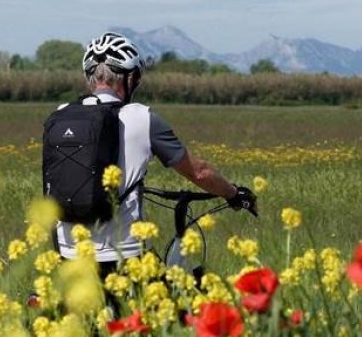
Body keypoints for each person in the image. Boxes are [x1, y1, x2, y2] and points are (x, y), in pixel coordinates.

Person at [53, 31, 257, 271]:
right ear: (131, 78)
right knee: (171, 290)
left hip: (68, 251)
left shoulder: (61, 114)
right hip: (124, 252)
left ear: (90, 76)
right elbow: (199, 172)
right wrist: (233, 194)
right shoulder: (142, 117)